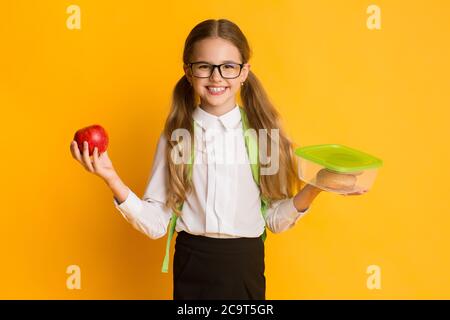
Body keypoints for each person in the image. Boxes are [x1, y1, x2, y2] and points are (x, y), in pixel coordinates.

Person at [70, 18, 365, 300]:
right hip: (192, 263)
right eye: (204, 67)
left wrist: (316, 186)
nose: (216, 77)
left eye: (228, 67)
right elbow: (157, 225)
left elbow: (274, 220)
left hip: (245, 265)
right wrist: (112, 179)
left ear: (244, 71)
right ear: (188, 71)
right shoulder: (176, 137)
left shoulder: (264, 136)